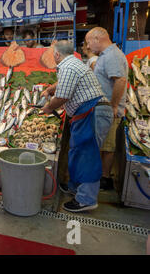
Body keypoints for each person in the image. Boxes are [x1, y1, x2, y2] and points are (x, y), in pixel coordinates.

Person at [41, 40, 113, 213]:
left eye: (53, 54)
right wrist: (51, 89)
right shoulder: (73, 63)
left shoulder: (68, 67)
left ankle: (86, 200)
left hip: (93, 113)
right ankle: (76, 189)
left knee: (88, 156)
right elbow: (64, 85)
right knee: (78, 152)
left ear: (57, 54)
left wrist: (48, 108)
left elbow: (63, 96)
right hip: (86, 114)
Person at [85, 27, 128, 191]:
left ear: (97, 38)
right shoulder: (105, 56)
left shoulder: (112, 55)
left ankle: (104, 178)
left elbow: (120, 80)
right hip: (103, 109)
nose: (88, 46)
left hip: (108, 111)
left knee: (107, 146)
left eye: (89, 42)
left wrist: (114, 106)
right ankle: (101, 176)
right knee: (102, 145)